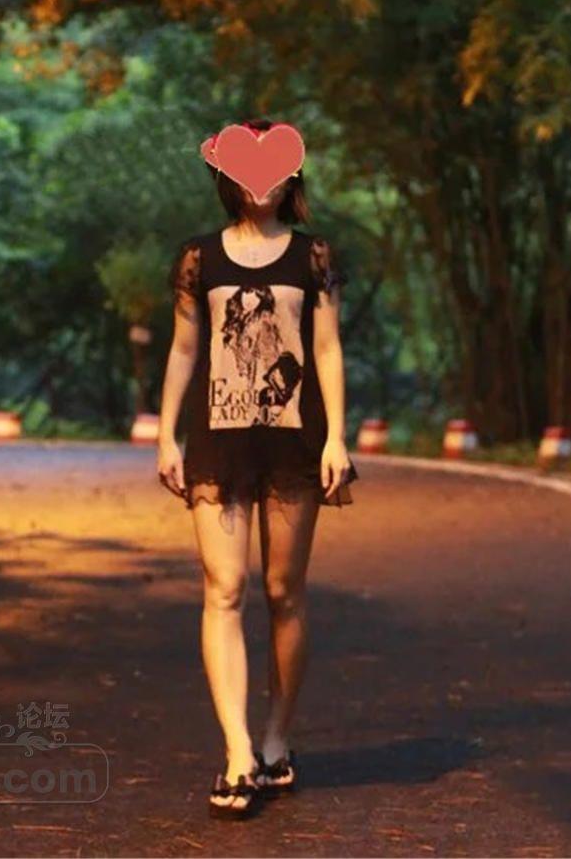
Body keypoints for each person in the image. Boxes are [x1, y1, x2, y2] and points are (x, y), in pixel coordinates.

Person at [157, 117, 359, 819]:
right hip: (218, 444)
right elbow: (185, 349)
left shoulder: (312, 256)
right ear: (228, 174)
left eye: (275, 171)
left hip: (293, 444)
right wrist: (166, 436)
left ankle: (276, 738)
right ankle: (238, 751)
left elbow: (327, 349)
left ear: (292, 174)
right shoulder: (199, 258)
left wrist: (337, 439)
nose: (262, 184)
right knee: (223, 589)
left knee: (283, 593)